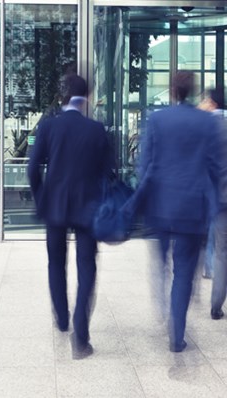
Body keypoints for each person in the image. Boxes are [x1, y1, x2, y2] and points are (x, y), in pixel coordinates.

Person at [134, 72, 222, 352]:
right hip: (190, 209)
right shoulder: (206, 122)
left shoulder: (157, 119)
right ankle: (177, 333)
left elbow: (144, 163)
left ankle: (162, 303)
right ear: (193, 92)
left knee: (161, 264)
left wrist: (143, 195)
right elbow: (217, 167)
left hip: (160, 206)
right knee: (184, 271)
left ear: (173, 91)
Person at [28, 74, 113, 359]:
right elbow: (107, 172)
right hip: (87, 208)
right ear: (86, 96)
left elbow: (32, 168)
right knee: (87, 265)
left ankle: (62, 319)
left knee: (56, 263)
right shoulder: (96, 129)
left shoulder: (49, 126)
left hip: (55, 207)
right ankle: (81, 332)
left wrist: (42, 197)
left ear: (64, 96)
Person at [199, 88, 227, 320]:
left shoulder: (205, 130)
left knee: (222, 252)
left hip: (217, 199)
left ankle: (216, 305)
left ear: (212, 103)